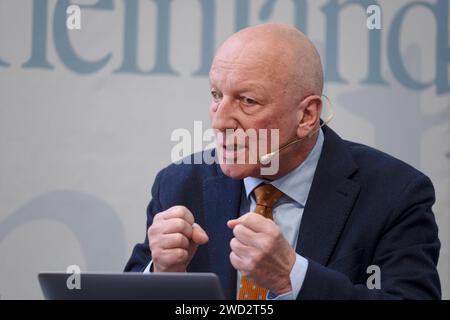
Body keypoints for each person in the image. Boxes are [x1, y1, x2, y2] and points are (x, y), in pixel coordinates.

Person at [124, 23, 441, 300]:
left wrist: (294, 278)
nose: (220, 122)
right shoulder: (179, 184)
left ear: (306, 115)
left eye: (248, 101)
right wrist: (162, 277)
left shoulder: (396, 194)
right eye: (217, 95)